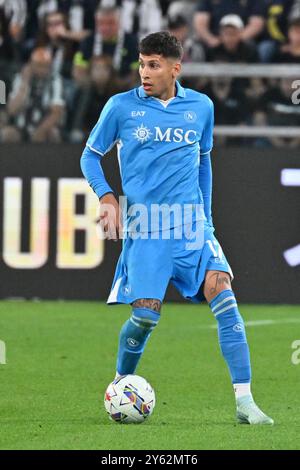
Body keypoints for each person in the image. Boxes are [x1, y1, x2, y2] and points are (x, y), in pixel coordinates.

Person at [80, 31, 274, 425]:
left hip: (191, 227)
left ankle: (245, 401)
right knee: (147, 316)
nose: (144, 73)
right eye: (141, 64)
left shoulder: (200, 107)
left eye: (153, 65)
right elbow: (90, 155)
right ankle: (120, 382)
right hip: (147, 228)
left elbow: (204, 164)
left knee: (224, 293)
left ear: (175, 68)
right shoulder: (120, 108)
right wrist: (105, 196)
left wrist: (208, 221)